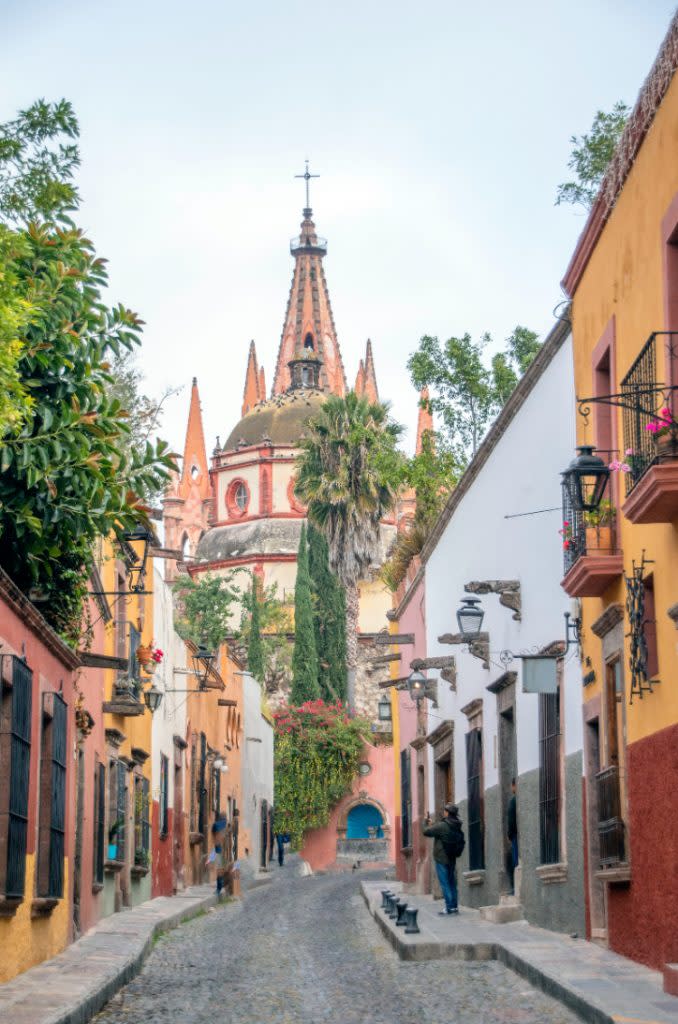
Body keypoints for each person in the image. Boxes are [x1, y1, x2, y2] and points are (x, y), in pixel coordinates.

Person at [422, 803, 465, 915]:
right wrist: (434, 824)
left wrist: (425, 823)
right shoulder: (456, 824)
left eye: (445, 811)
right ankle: (454, 907)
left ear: (447, 812)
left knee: (445, 883)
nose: (444, 812)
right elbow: (443, 830)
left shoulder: (442, 825)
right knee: (451, 882)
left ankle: (449, 907)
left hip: (441, 858)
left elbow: (426, 832)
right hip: (452, 857)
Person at [507, 778, 518, 895]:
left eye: (512, 786)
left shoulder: (513, 801)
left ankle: (515, 889)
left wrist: (509, 835)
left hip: (515, 836)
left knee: (515, 862)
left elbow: (511, 820)